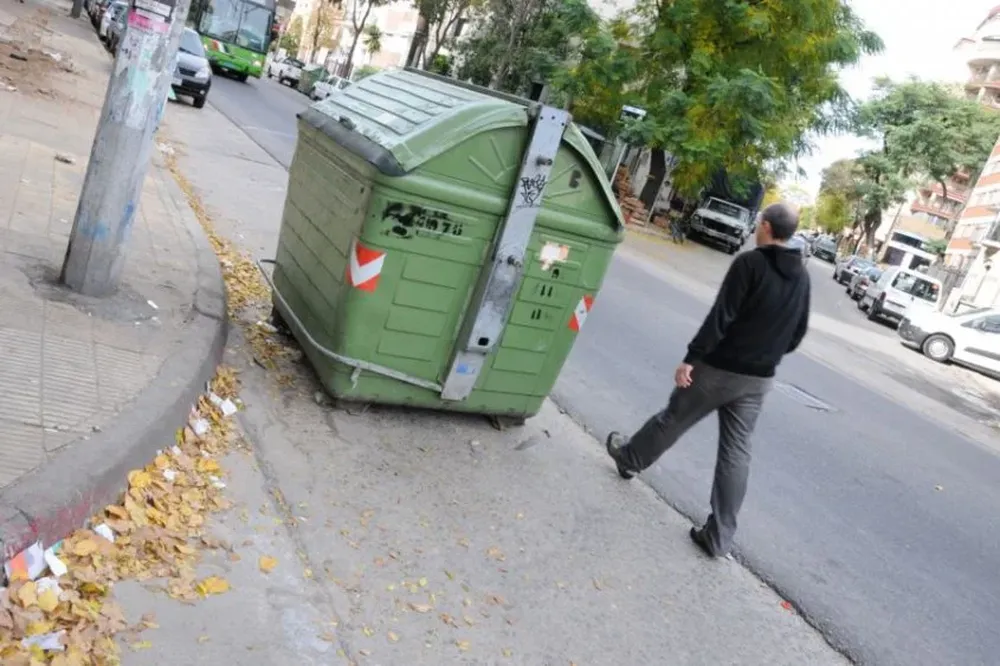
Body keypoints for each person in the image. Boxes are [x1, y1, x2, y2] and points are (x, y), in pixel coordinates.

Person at [605, 202, 811, 558]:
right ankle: (719, 537)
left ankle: (630, 458)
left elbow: (721, 316)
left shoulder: (750, 263)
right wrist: (767, 353)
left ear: (765, 226)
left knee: (674, 418)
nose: (755, 229)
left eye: (758, 223)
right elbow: (797, 334)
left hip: (719, 369)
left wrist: (692, 357)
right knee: (736, 453)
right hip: (759, 380)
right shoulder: (802, 278)